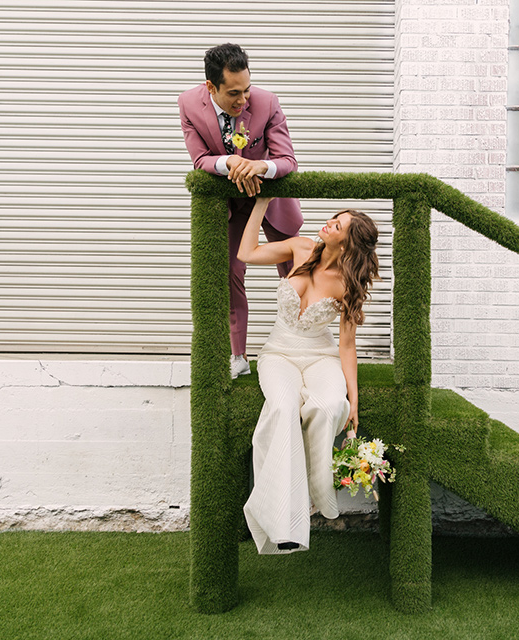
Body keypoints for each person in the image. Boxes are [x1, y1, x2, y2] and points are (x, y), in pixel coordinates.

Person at [237, 196, 379, 554]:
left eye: (338, 225)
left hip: (321, 356)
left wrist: (353, 399)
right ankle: (283, 522)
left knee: (329, 404)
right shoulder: (300, 247)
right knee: (283, 409)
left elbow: (347, 346)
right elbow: (247, 253)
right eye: (333, 217)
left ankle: (320, 489)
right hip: (279, 353)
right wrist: (262, 203)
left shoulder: (347, 283)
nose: (329, 223)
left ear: (346, 243)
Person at [178, 43, 303, 379]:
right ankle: (239, 357)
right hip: (233, 207)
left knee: (295, 274)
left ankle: (305, 349)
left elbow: (287, 160)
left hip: (272, 200)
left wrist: (259, 166)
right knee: (232, 274)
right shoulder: (188, 104)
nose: (243, 100)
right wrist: (231, 161)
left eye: (247, 90)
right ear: (210, 87)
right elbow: (200, 159)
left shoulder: (268, 103)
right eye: (234, 93)